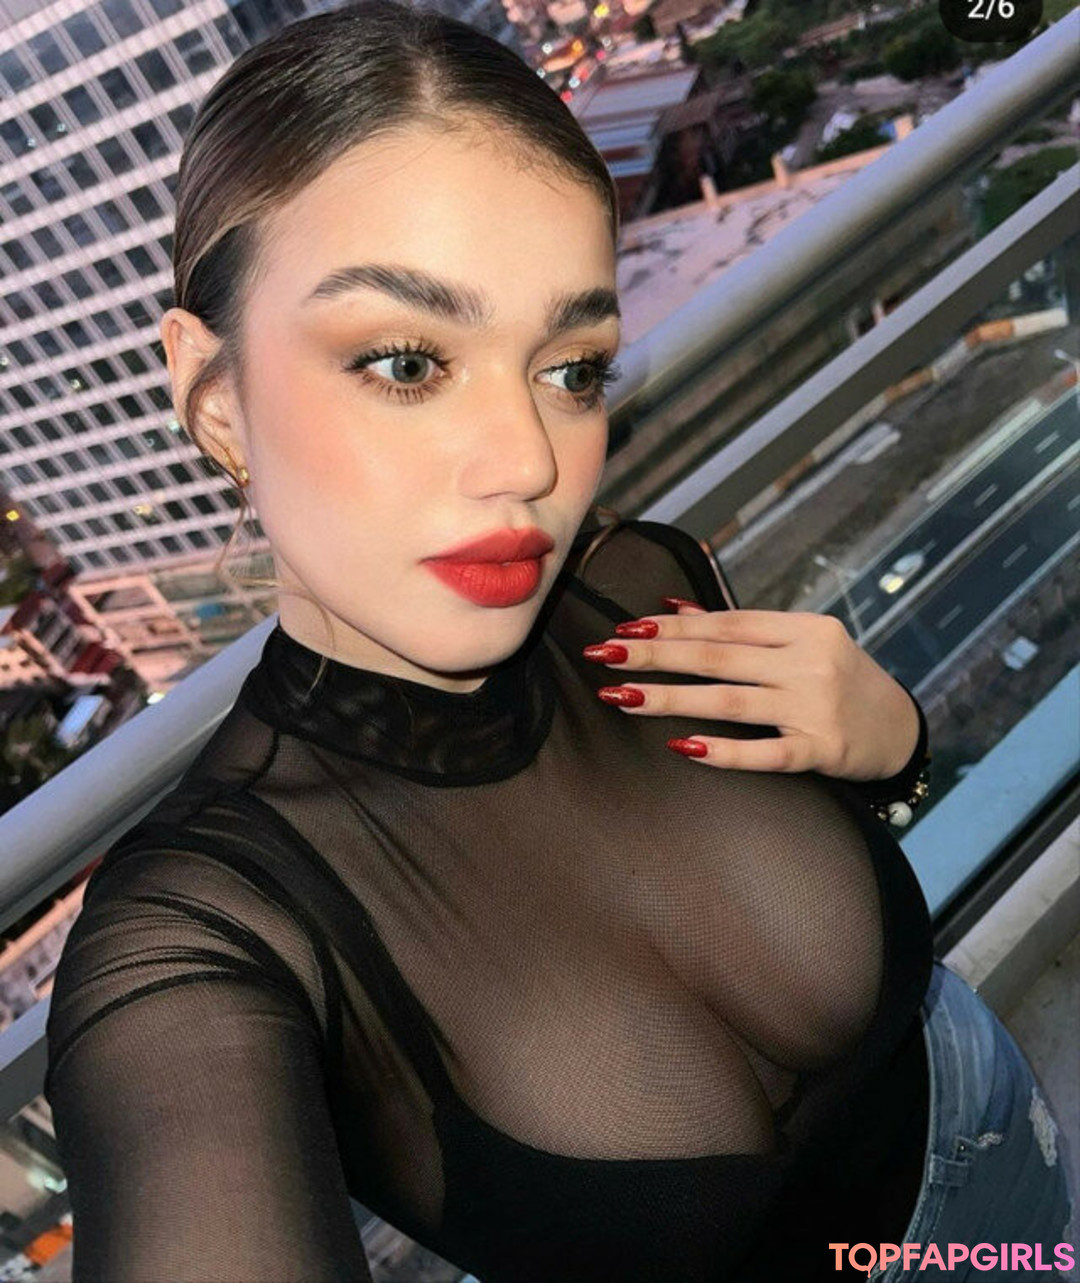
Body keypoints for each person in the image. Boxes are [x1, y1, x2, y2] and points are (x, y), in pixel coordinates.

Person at [43, 4, 1073, 1280]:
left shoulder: (641, 585)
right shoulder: (202, 929)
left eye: (573, 368)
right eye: (407, 361)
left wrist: (896, 749)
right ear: (213, 398)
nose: (530, 459)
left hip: (1002, 1145)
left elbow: (853, 860)